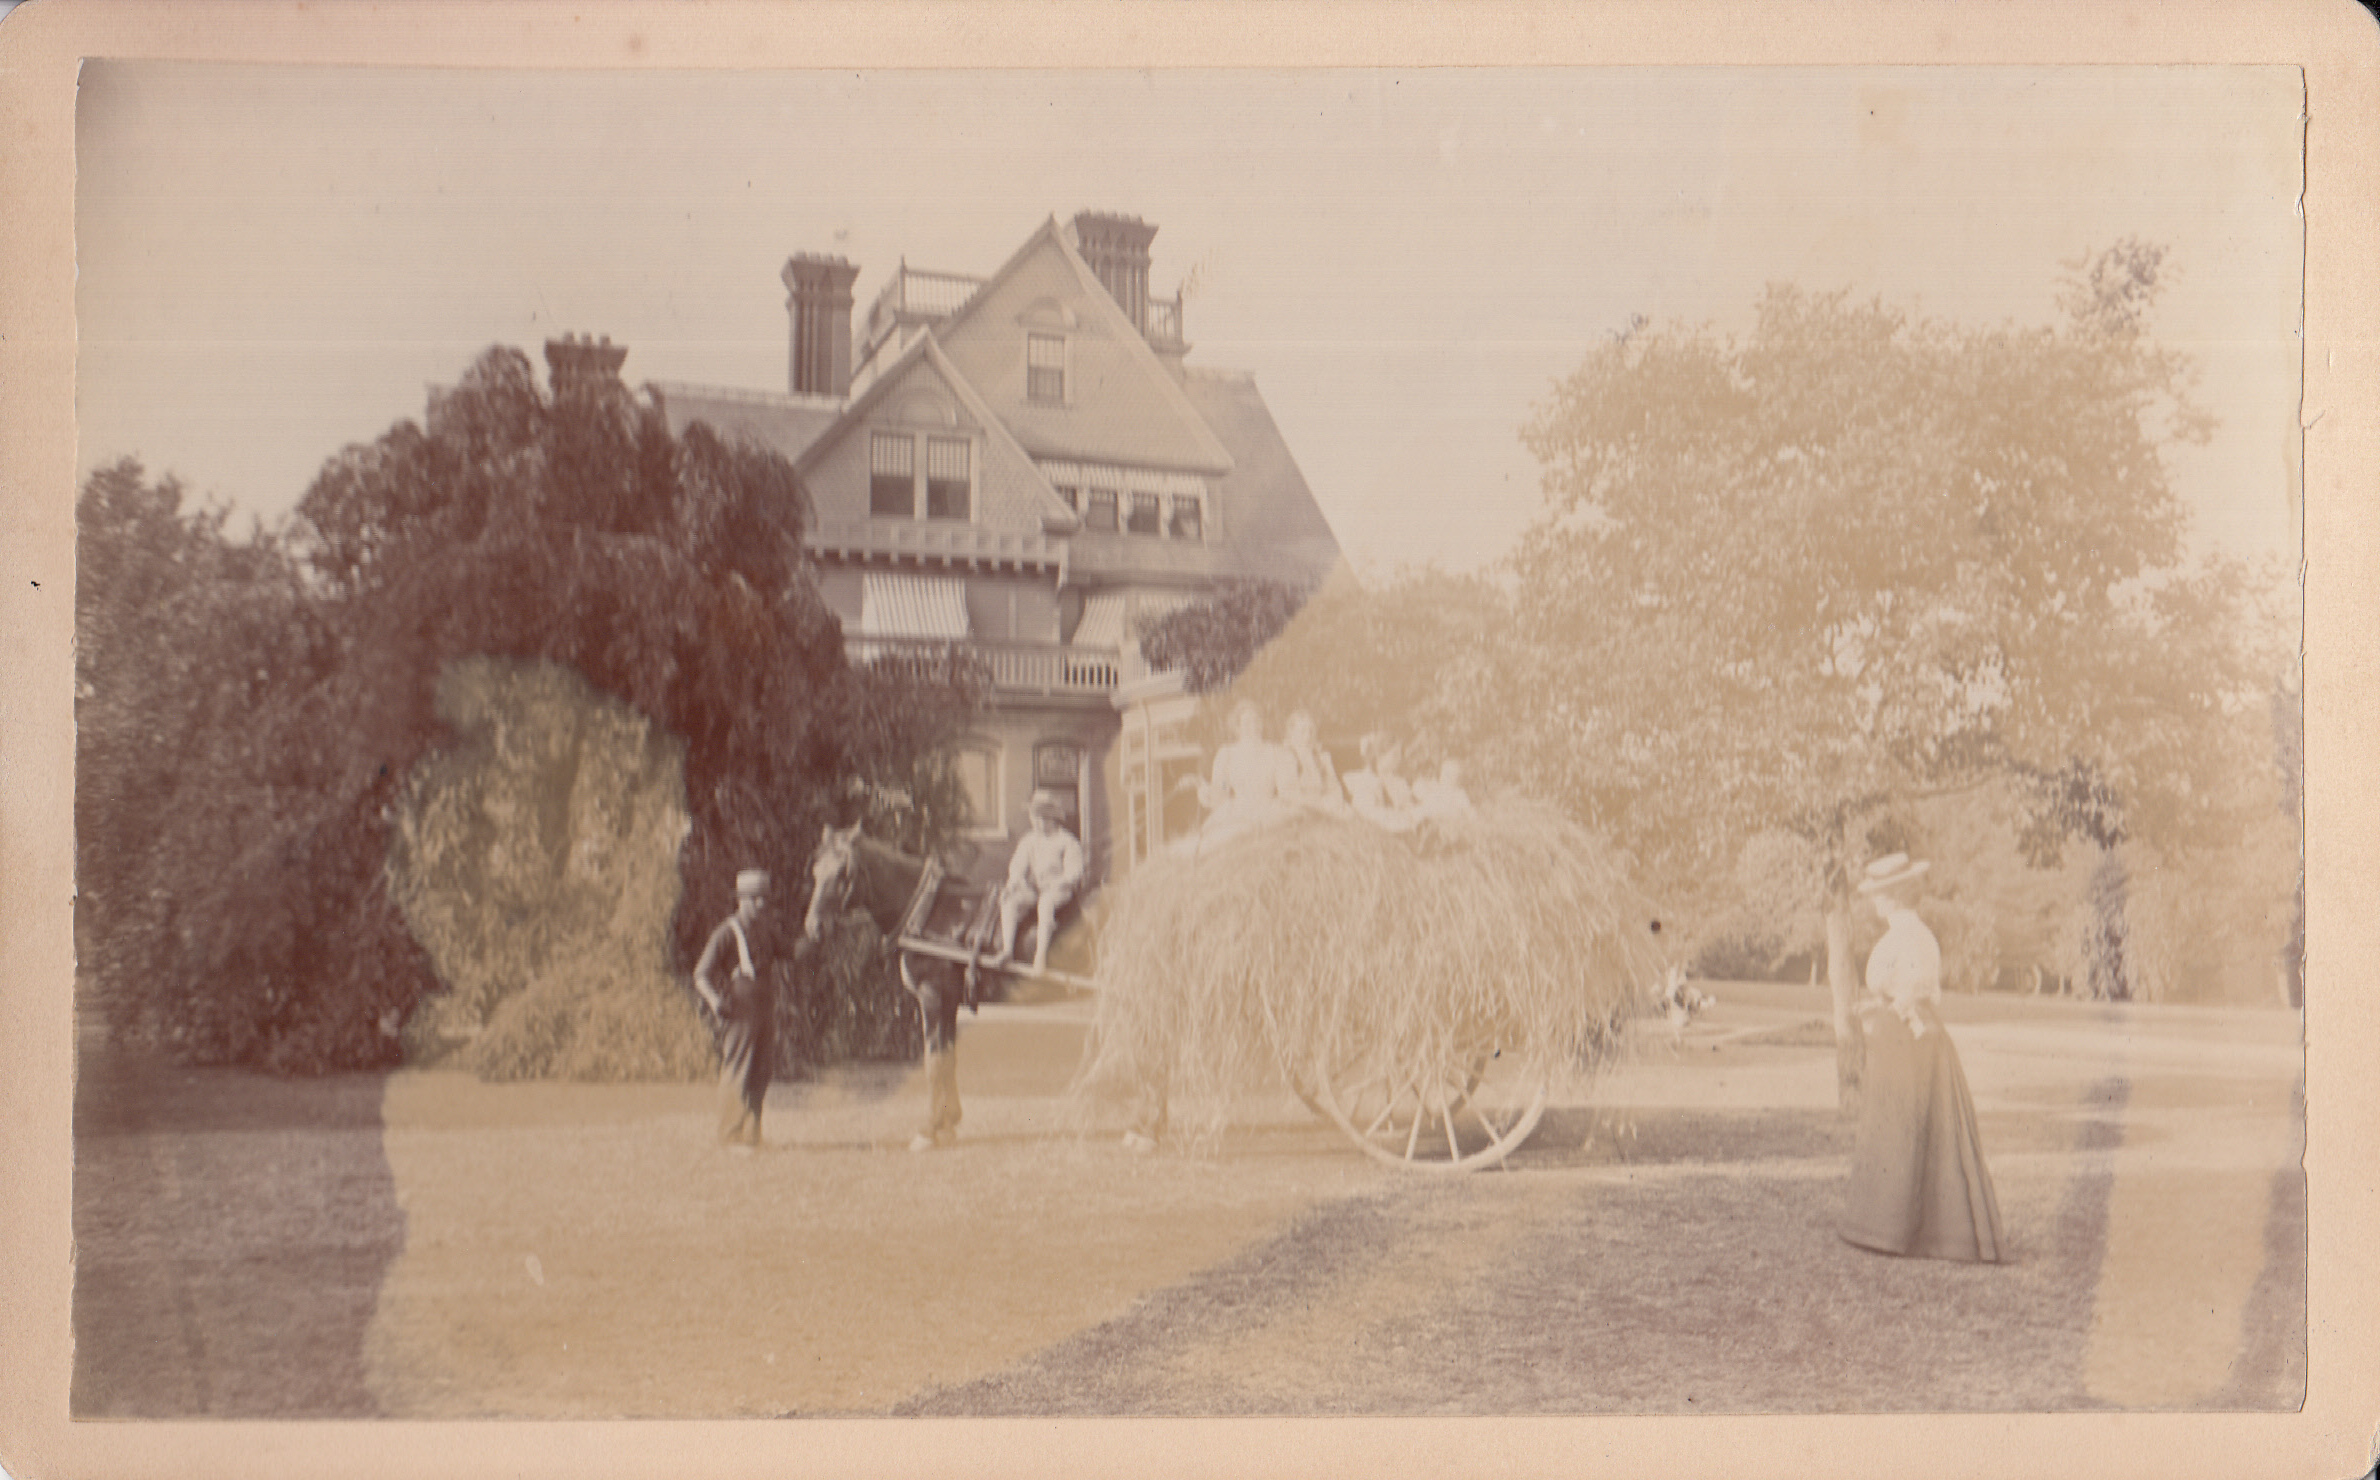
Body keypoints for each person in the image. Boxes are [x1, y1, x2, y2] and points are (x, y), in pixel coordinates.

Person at [1837, 853, 2005, 1262]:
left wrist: (1884, 1007)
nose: (1874, 902)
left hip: (1908, 1039)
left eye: (1879, 895)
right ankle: (1890, 1225)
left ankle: (1895, 1229)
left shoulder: (1906, 938)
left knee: (1903, 1126)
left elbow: (1912, 992)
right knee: (1910, 1127)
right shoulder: (1913, 935)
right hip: (1909, 1036)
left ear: (1894, 896)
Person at [693, 868, 776, 1151]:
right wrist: (715, 1002)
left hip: (765, 1008)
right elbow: (701, 975)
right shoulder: (726, 933)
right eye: (754, 898)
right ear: (741, 900)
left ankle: (752, 1135)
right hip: (739, 1011)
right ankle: (729, 1136)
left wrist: (816, 936)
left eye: (764, 898)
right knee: (738, 1069)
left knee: (761, 1071)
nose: (761, 904)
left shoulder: (766, 931)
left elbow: (793, 951)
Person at [1172, 700, 1296, 855]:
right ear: (1237, 727)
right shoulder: (1228, 754)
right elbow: (1221, 791)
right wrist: (1199, 783)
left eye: (1257, 720)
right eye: (1247, 722)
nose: (1253, 726)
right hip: (1238, 810)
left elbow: (1286, 788)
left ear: (1262, 723)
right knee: (1222, 839)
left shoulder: (1275, 752)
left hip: (1269, 809)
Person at [992, 789, 1086, 975]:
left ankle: (1040, 956)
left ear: (1054, 819)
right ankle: (1007, 950)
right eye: (1036, 818)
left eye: (1045, 818)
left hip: (1058, 889)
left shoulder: (1066, 841)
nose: (1040, 823)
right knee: (1009, 901)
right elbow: (1018, 866)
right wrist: (1014, 883)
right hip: (1034, 889)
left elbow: (1074, 873)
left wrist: (1058, 883)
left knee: (1045, 903)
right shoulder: (1029, 840)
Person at [1343, 731, 1420, 832]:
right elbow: (1366, 813)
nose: (1399, 759)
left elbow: (1409, 806)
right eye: (1395, 754)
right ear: (1379, 754)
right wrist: (1396, 815)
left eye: (1400, 755)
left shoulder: (1398, 782)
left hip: (1404, 828)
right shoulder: (1363, 781)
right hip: (1377, 833)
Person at [1281, 710, 1349, 816]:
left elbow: (1334, 786)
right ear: (1292, 733)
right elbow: (1288, 793)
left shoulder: (1323, 757)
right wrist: (1318, 806)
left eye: (1311, 731)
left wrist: (1334, 802)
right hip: (1301, 808)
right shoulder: (1287, 757)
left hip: (1326, 804)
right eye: (1303, 731)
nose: (1308, 736)